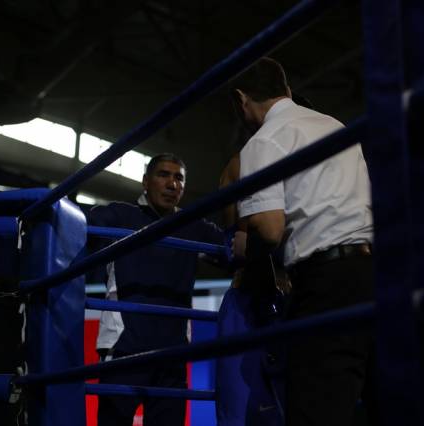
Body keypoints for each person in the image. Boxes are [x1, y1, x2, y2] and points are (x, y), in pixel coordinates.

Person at [229, 57, 374, 426]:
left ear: (242, 99)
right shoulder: (334, 125)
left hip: (326, 282)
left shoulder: (263, 141)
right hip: (374, 272)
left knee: (314, 409)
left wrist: (247, 252)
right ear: (288, 90)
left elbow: (269, 229)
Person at [87, 153, 224, 426]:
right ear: (145, 181)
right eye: (163, 175)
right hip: (125, 347)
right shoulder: (120, 215)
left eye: (179, 178)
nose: (172, 184)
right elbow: (77, 225)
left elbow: (232, 248)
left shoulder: (192, 225)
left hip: (173, 352)